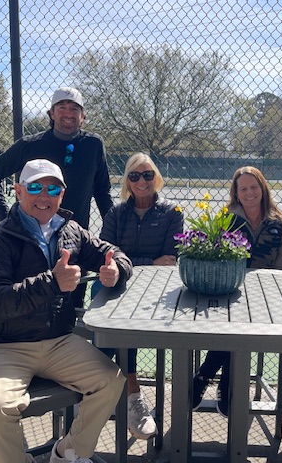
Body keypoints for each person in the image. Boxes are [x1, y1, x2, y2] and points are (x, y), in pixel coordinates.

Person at [0, 159, 130, 463]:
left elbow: (114, 253)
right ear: (18, 192)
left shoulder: (71, 230)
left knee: (111, 381)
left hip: (58, 341)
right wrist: (52, 283)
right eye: (35, 187)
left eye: (52, 188)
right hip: (5, 346)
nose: (44, 196)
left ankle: (68, 452)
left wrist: (115, 270)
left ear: (62, 194)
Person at [0, 87, 114, 309]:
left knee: (72, 311)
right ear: (51, 114)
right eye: (61, 107)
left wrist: (112, 234)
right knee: (29, 303)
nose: (68, 113)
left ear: (83, 116)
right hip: (29, 243)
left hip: (73, 244)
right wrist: (6, 221)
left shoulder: (93, 145)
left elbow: (102, 192)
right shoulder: (30, 145)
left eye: (74, 108)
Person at [91, 152, 183, 439]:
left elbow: (172, 258)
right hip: (118, 283)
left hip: (158, 289)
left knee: (123, 328)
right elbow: (107, 255)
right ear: (127, 182)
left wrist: (134, 261)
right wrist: (150, 261)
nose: (141, 181)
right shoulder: (116, 214)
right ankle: (128, 394)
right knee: (109, 318)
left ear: (155, 178)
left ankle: (112, 390)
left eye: (147, 175)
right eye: (134, 176)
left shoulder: (172, 212)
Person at [191, 166, 282, 417]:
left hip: (263, 300)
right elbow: (213, 260)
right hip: (227, 295)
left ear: (263, 188)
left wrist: (261, 297)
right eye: (243, 188)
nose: (249, 193)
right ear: (236, 193)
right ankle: (224, 384)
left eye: (254, 187)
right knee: (231, 324)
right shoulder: (226, 221)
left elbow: (281, 271)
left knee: (242, 328)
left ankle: (206, 376)